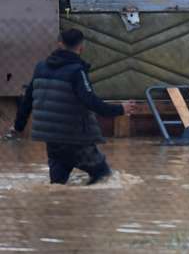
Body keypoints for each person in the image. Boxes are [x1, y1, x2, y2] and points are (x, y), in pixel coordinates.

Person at [7, 29, 135, 185]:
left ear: (60, 44)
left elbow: (27, 100)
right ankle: (90, 208)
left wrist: (19, 126)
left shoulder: (40, 67)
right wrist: (121, 109)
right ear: (81, 47)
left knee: (58, 186)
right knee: (104, 178)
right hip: (76, 139)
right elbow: (90, 101)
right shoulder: (76, 71)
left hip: (52, 140)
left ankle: (61, 207)